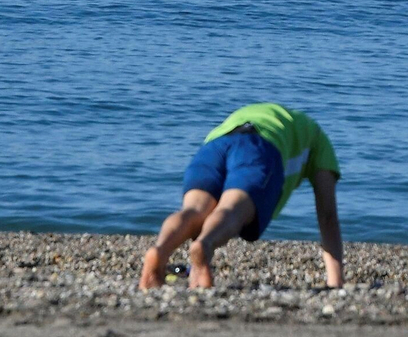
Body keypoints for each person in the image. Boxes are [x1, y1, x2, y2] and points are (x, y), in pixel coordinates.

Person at [139, 103, 344, 290]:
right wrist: (335, 283)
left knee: (194, 211)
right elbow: (327, 216)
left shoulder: (265, 114)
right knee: (230, 209)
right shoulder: (318, 138)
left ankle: (160, 250)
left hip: (216, 144)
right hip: (259, 148)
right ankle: (205, 244)